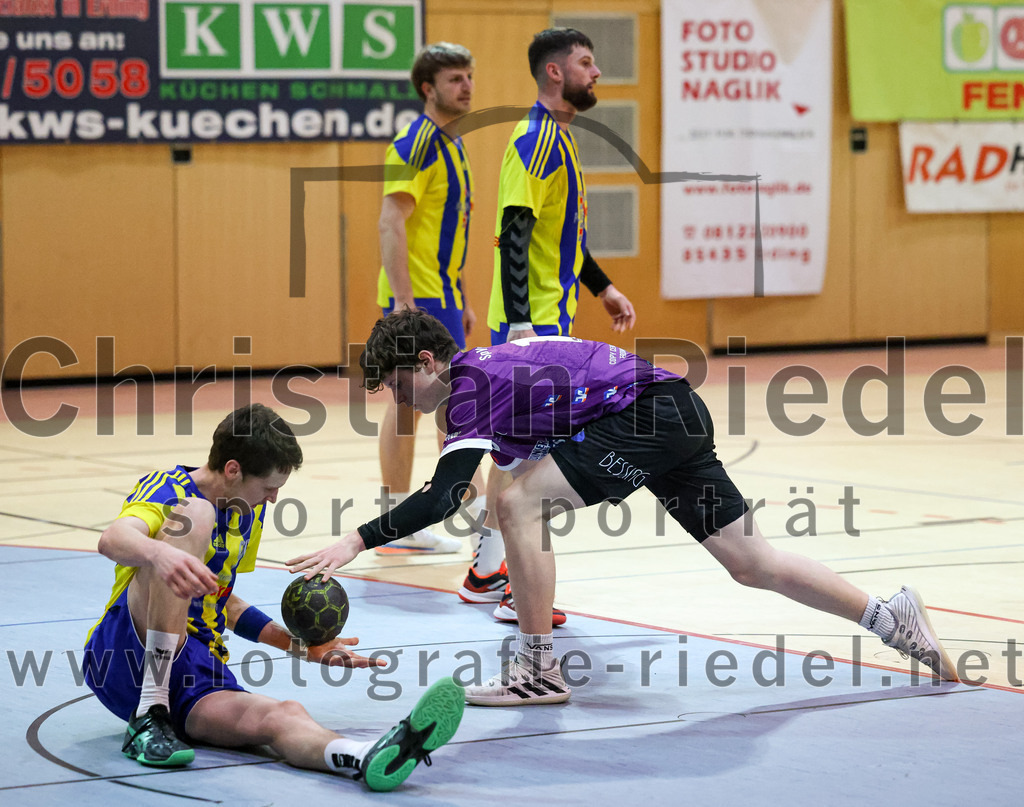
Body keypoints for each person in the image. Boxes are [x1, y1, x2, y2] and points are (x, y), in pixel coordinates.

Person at [288, 309, 961, 707]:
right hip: (672, 411)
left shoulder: (470, 386)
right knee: (752, 563)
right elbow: (478, 487)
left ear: (428, 361)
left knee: (518, 503)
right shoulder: (486, 380)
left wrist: (356, 539)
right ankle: (889, 616)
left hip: (648, 416)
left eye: (398, 384)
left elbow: (444, 495)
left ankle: (537, 669)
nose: (398, 400)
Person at [83, 403, 464, 791]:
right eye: (268, 488)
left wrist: (301, 647)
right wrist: (160, 554)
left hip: (195, 667)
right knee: (196, 514)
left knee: (281, 716)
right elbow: (112, 539)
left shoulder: (246, 512)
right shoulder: (170, 488)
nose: (274, 498)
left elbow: (223, 602)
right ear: (233, 470)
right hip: (125, 650)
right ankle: (150, 710)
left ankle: (364, 756)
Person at [464, 27, 637, 621]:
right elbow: (512, 232)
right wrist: (520, 327)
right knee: (534, 464)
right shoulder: (536, 137)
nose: (597, 72)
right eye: (586, 62)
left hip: (545, 318)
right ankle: (516, 589)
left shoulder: (560, 138)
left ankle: (485, 572)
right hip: (531, 326)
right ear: (555, 72)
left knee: (515, 457)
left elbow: (561, 238)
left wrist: (603, 287)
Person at [373, 41, 484, 555]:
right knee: (431, 408)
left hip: (442, 295)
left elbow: (447, 230)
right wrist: (404, 303)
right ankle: (466, 525)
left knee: (432, 408)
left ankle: (424, 517)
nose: (466, 86)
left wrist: (460, 296)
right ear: (428, 87)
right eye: (455, 78)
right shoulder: (415, 142)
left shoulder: (453, 144)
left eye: (469, 76)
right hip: (418, 299)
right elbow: (390, 221)